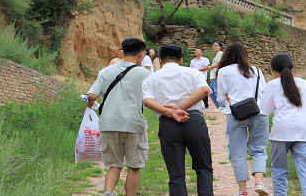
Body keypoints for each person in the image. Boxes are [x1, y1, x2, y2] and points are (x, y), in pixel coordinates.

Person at [86, 38, 154, 196]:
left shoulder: (106, 71)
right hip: (134, 124)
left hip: (109, 123)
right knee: (134, 166)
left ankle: (108, 192)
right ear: (141, 54)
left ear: (123, 52)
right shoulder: (145, 73)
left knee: (114, 165)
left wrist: (90, 104)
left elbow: (92, 95)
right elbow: (151, 99)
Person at [142, 44, 214, 196]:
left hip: (168, 124)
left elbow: (147, 101)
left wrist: (170, 111)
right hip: (194, 120)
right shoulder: (193, 73)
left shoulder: (151, 78)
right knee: (204, 168)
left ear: (160, 61)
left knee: (176, 174)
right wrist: (181, 107)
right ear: (181, 60)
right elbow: (205, 90)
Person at [260, 53, 306, 196]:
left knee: (279, 171)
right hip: (305, 132)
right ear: (292, 67)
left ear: (274, 70)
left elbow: (265, 110)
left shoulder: (272, 84)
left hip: (281, 132)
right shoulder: (305, 84)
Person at [216, 43, 270, 196]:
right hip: (260, 112)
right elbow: (264, 92)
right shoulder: (256, 70)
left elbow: (221, 96)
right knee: (259, 149)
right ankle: (259, 182)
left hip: (237, 114)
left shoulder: (224, 71)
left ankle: (242, 191)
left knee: (237, 152)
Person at [200, 41, 225, 113]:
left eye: (216, 45)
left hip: (217, 74)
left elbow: (220, 63)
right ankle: (219, 106)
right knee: (211, 92)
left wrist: (210, 67)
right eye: (213, 45)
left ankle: (222, 105)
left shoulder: (220, 54)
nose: (214, 46)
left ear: (220, 47)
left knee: (217, 90)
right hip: (214, 75)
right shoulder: (217, 55)